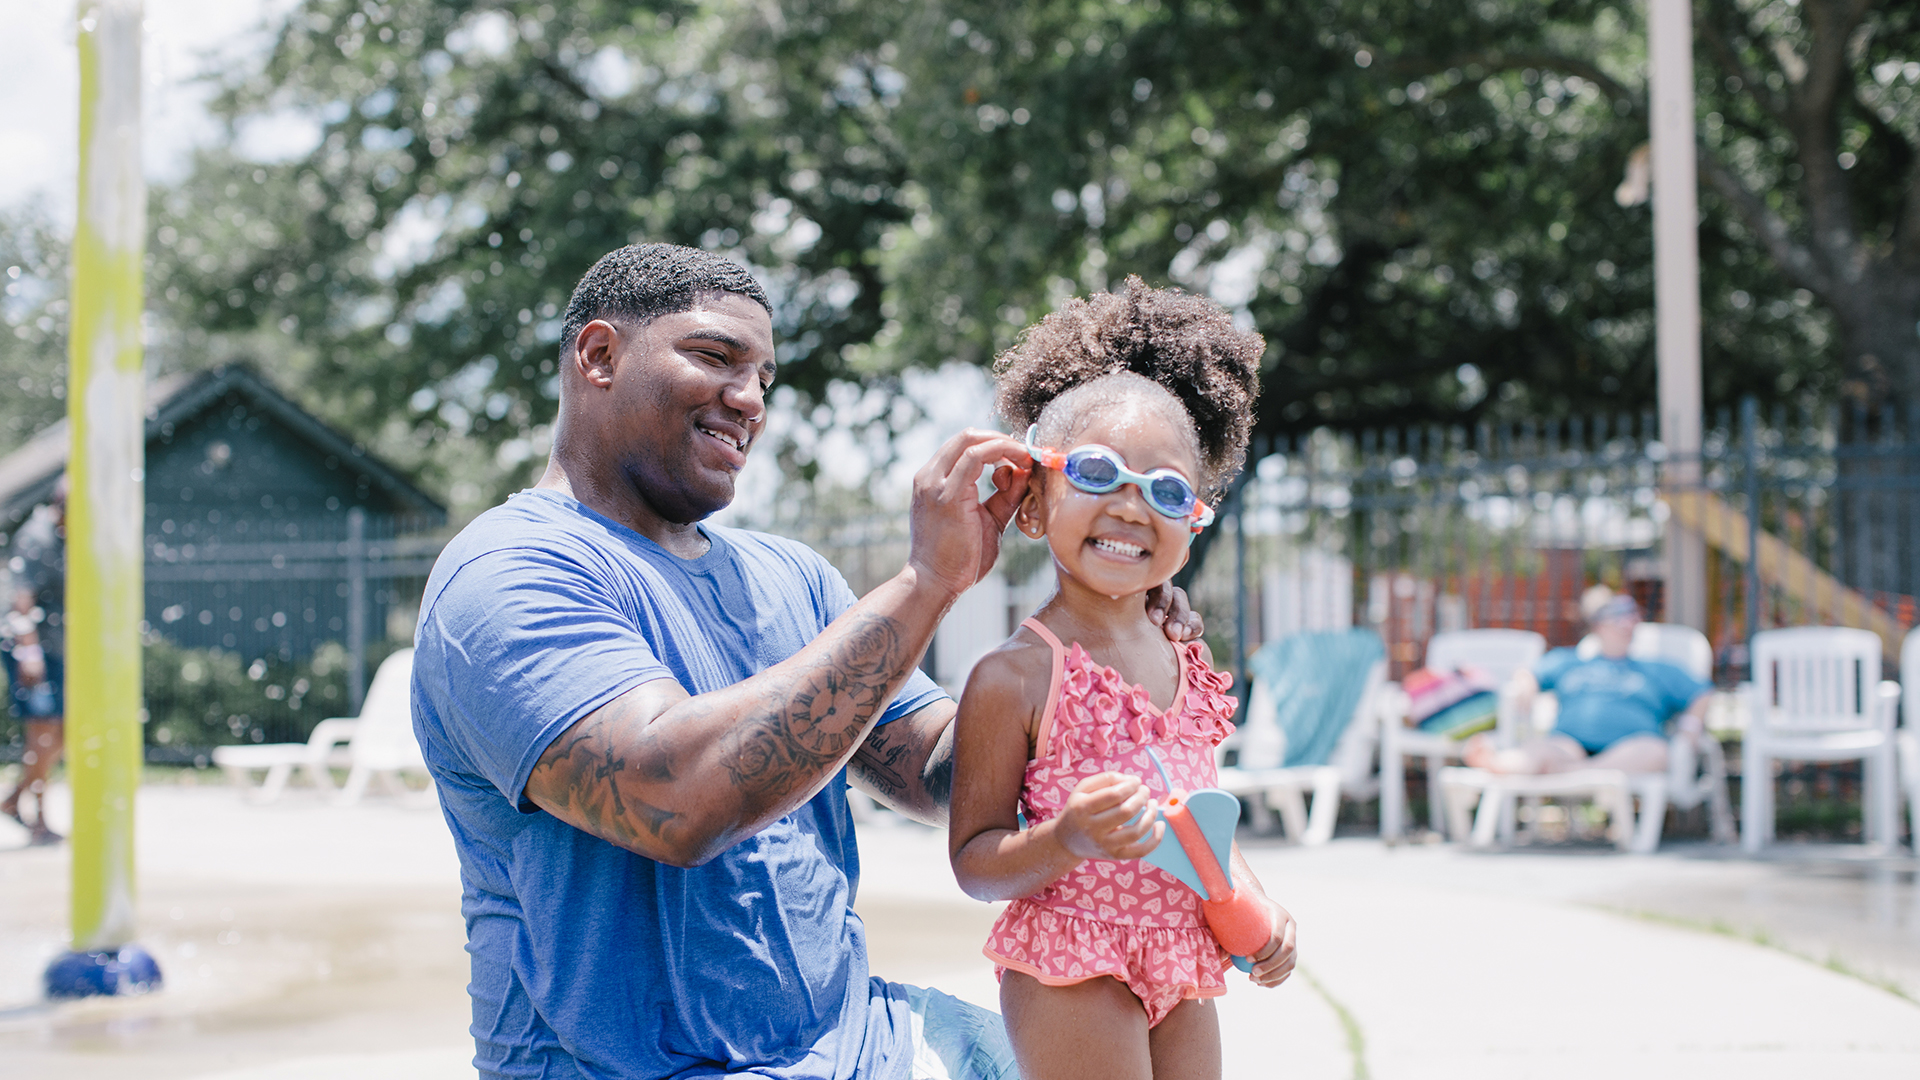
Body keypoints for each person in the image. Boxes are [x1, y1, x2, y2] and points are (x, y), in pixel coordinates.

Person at [410, 244, 1206, 1080]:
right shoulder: (507, 574)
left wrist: (1104, 634)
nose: (749, 399)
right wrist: (929, 584)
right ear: (600, 356)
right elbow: (677, 803)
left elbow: (944, 771)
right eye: (715, 357)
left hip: (862, 1043)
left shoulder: (791, 577)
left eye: (765, 377)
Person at [947, 279, 1297, 1080]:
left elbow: (1197, 822)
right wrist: (1066, 838)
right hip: (1073, 959)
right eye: (1099, 474)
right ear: (1033, 504)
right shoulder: (1015, 676)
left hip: (1185, 958)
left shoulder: (1186, 659)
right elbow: (974, 859)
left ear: (1193, 522)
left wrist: (1255, 899)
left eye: (1168, 491)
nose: (1134, 507)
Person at [1463, 586, 1711, 776]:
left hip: (1632, 746)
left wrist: (1689, 729)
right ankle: (1496, 764)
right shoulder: (1569, 661)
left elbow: (1702, 693)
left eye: (1632, 616)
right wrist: (1525, 688)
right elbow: (1528, 674)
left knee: (1656, 752)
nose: (1628, 623)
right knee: (1537, 750)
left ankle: (1580, 774)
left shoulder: (1656, 668)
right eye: (1618, 616)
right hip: (1569, 746)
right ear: (1598, 625)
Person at [2, 477, 66, 846]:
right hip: (30, 648)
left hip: (54, 648)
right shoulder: (37, 538)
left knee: (61, 734)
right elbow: (21, 603)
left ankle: (13, 799)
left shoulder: (67, 535)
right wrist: (29, 654)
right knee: (43, 730)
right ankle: (39, 819)